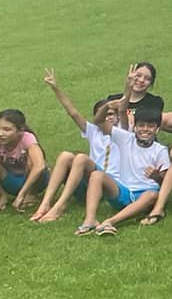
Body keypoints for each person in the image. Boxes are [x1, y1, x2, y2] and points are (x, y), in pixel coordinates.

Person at [31, 73, 117, 225]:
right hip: (86, 183)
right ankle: (45, 204)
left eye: (111, 114)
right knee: (65, 156)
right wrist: (55, 88)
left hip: (107, 184)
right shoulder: (93, 130)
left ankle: (59, 206)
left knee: (81, 158)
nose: (108, 117)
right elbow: (72, 112)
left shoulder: (123, 131)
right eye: (104, 114)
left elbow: (126, 111)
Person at [79, 99, 170, 234]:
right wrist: (108, 106)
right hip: (123, 191)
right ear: (135, 127)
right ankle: (90, 219)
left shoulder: (160, 150)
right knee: (97, 175)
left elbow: (166, 183)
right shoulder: (126, 138)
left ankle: (111, 221)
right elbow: (98, 121)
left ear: (157, 129)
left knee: (152, 195)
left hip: (144, 195)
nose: (145, 129)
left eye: (150, 126)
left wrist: (156, 176)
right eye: (141, 125)